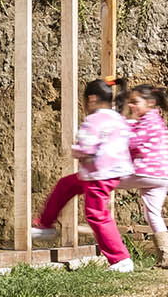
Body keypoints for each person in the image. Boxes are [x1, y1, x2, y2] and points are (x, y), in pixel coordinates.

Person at [31, 78, 135, 271]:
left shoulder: (95, 119)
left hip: (98, 174)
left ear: (92, 99)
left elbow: (87, 147)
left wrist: (76, 150)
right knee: (66, 185)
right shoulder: (117, 117)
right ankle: (45, 225)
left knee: (96, 214)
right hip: (106, 173)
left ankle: (120, 259)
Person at [123, 83, 168, 268]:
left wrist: (123, 124)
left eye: (135, 102)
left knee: (105, 181)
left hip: (146, 172)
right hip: (162, 177)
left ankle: (99, 221)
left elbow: (133, 142)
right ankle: (167, 257)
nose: (131, 106)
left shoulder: (149, 121)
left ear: (150, 103)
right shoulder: (156, 120)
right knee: (153, 214)